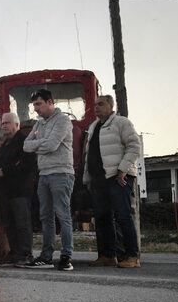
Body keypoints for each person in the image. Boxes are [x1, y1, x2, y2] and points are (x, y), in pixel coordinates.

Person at [83, 94, 142, 268]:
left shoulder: (121, 123)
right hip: (99, 181)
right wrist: (88, 178)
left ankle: (133, 256)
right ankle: (108, 256)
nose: (96, 107)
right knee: (101, 218)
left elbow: (134, 146)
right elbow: (89, 156)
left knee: (123, 216)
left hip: (118, 177)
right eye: (95, 105)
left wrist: (123, 169)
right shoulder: (94, 126)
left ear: (111, 106)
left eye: (100, 104)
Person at [22, 89, 75, 271]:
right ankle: (46, 256)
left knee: (63, 215)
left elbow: (53, 145)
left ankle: (66, 256)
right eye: (34, 105)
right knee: (46, 217)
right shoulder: (38, 124)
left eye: (39, 104)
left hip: (61, 173)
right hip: (43, 174)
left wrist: (38, 145)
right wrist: (41, 144)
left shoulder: (63, 121)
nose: (36, 109)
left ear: (50, 102)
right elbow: (26, 146)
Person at [0, 113, 36, 267]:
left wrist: (5, 171)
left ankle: (26, 254)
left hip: (20, 191)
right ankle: (14, 253)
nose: (4, 126)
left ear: (17, 124)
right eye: (3, 123)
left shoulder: (24, 142)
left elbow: (27, 165)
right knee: (9, 224)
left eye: (7, 123)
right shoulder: (5, 145)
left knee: (22, 224)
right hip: (5, 192)